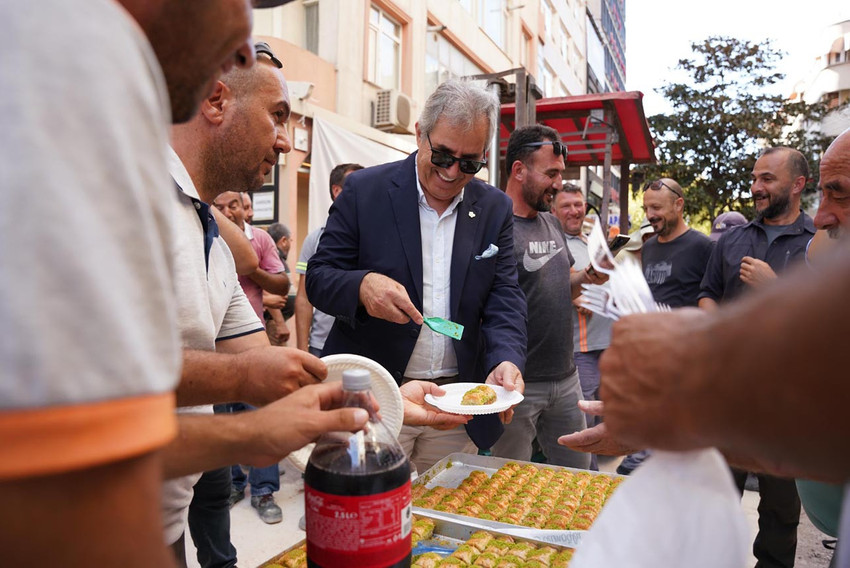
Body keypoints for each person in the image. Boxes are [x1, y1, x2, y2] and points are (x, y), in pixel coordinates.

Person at [0, 1, 288, 565]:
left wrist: (368, 396)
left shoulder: (207, 231)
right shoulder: (65, 46)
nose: (241, 43)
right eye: (246, 3)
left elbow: (266, 366)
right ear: (216, 101)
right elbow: (69, 461)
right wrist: (249, 424)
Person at [305, 79, 528, 473]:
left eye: (469, 163)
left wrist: (505, 358)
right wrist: (361, 286)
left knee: (440, 523)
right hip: (374, 394)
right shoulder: (364, 191)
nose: (452, 172)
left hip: (453, 402)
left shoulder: (494, 207)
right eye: (442, 155)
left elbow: (504, 295)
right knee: (362, 516)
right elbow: (320, 278)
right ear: (420, 134)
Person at [697, 147, 814, 568]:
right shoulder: (733, 239)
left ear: (798, 185)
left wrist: (774, 285)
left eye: (767, 179)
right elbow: (708, 293)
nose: (756, 188)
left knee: (780, 513)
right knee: (715, 499)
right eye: (754, 178)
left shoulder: (821, 244)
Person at [491, 126, 604, 469]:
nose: (558, 183)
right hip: (518, 385)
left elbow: (563, 284)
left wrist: (588, 276)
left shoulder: (550, 223)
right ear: (519, 170)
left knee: (578, 481)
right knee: (510, 484)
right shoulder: (494, 227)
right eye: (551, 173)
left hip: (567, 379)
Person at [615, 177, 714, 476]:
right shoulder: (650, 247)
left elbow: (711, 297)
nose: (649, 215)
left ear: (679, 204)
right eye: (646, 208)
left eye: (656, 207)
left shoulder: (702, 246)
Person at [552, 183, 615, 471]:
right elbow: (561, 285)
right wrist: (581, 295)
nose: (575, 211)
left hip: (609, 346)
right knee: (584, 422)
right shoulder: (554, 243)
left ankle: (597, 480)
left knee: (605, 418)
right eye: (567, 206)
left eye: (579, 205)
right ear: (553, 210)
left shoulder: (592, 241)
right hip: (582, 350)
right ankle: (587, 483)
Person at [295, 163, 364, 356]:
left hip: (365, 345)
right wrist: (302, 350)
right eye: (357, 186)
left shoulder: (375, 237)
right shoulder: (315, 239)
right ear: (337, 191)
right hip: (322, 345)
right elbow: (304, 297)